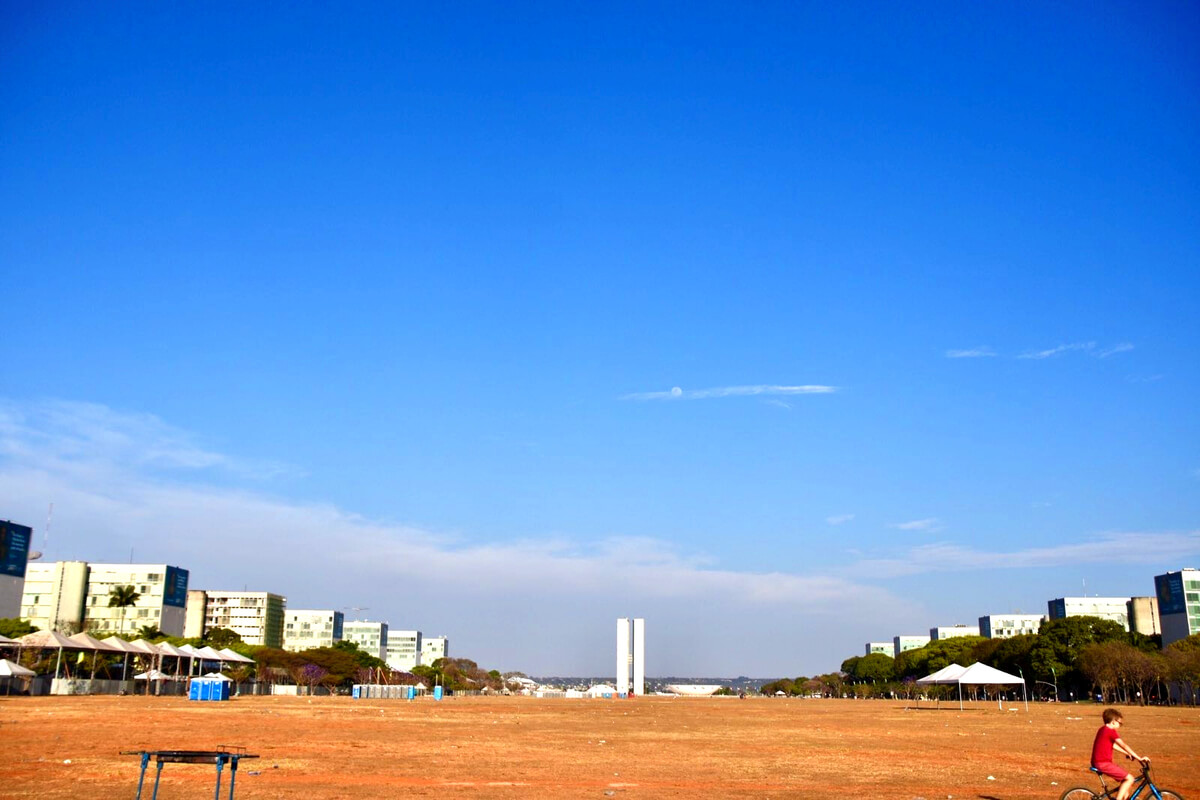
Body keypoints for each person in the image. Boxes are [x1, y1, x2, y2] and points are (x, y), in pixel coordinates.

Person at [1091, 708, 1149, 800]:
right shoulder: (1110, 731)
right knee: (1130, 779)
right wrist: (1139, 758)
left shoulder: (1103, 729)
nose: (1120, 725)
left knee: (1125, 780)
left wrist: (1127, 753)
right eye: (1120, 723)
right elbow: (1124, 745)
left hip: (1099, 762)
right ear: (1113, 722)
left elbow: (1112, 745)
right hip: (1103, 763)